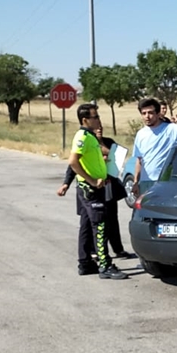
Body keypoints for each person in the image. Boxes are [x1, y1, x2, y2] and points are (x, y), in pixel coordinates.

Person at [68, 103, 129, 280]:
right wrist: (92, 181)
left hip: (98, 187)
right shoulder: (82, 137)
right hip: (91, 189)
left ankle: (85, 263)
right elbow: (73, 162)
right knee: (100, 226)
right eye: (95, 117)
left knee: (88, 225)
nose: (98, 120)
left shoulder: (91, 136)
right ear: (85, 120)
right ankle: (105, 265)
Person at [58, 120, 132, 261]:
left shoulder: (108, 142)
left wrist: (106, 154)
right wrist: (66, 183)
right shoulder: (86, 142)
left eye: (101, 128)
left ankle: (118, 249)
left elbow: (117, 157)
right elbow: (73, 165)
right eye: (97, 128)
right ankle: (93, 252)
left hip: (108, 185)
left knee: (111, 218)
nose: (99, 129)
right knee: (90, 222)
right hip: (89, 188)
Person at [132, 98, 177, 195]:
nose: (147, 116)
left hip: (164, 180)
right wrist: (136, 182)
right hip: (145, 181)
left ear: (158, 114)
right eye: (144, 113)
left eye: (150, 113)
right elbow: (139, 160)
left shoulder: (170, 129)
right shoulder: (140, 134)